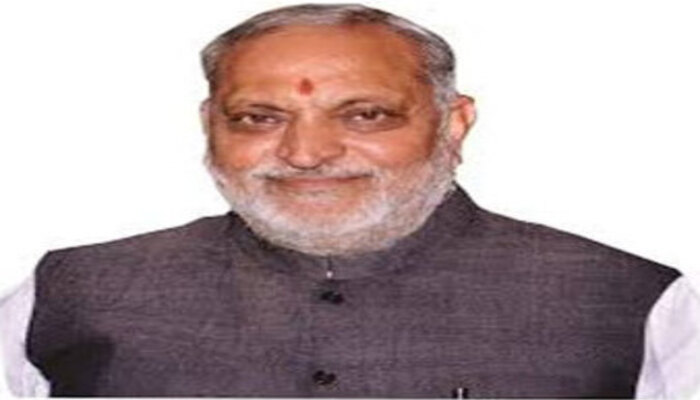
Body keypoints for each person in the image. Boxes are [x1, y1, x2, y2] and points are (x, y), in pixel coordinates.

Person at [1, 3, 699, 398]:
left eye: (365, 115)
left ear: (453, 124)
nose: (307, 153)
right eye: (258, 118)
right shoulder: (74, 292)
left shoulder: (628, 301)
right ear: (210, 125)